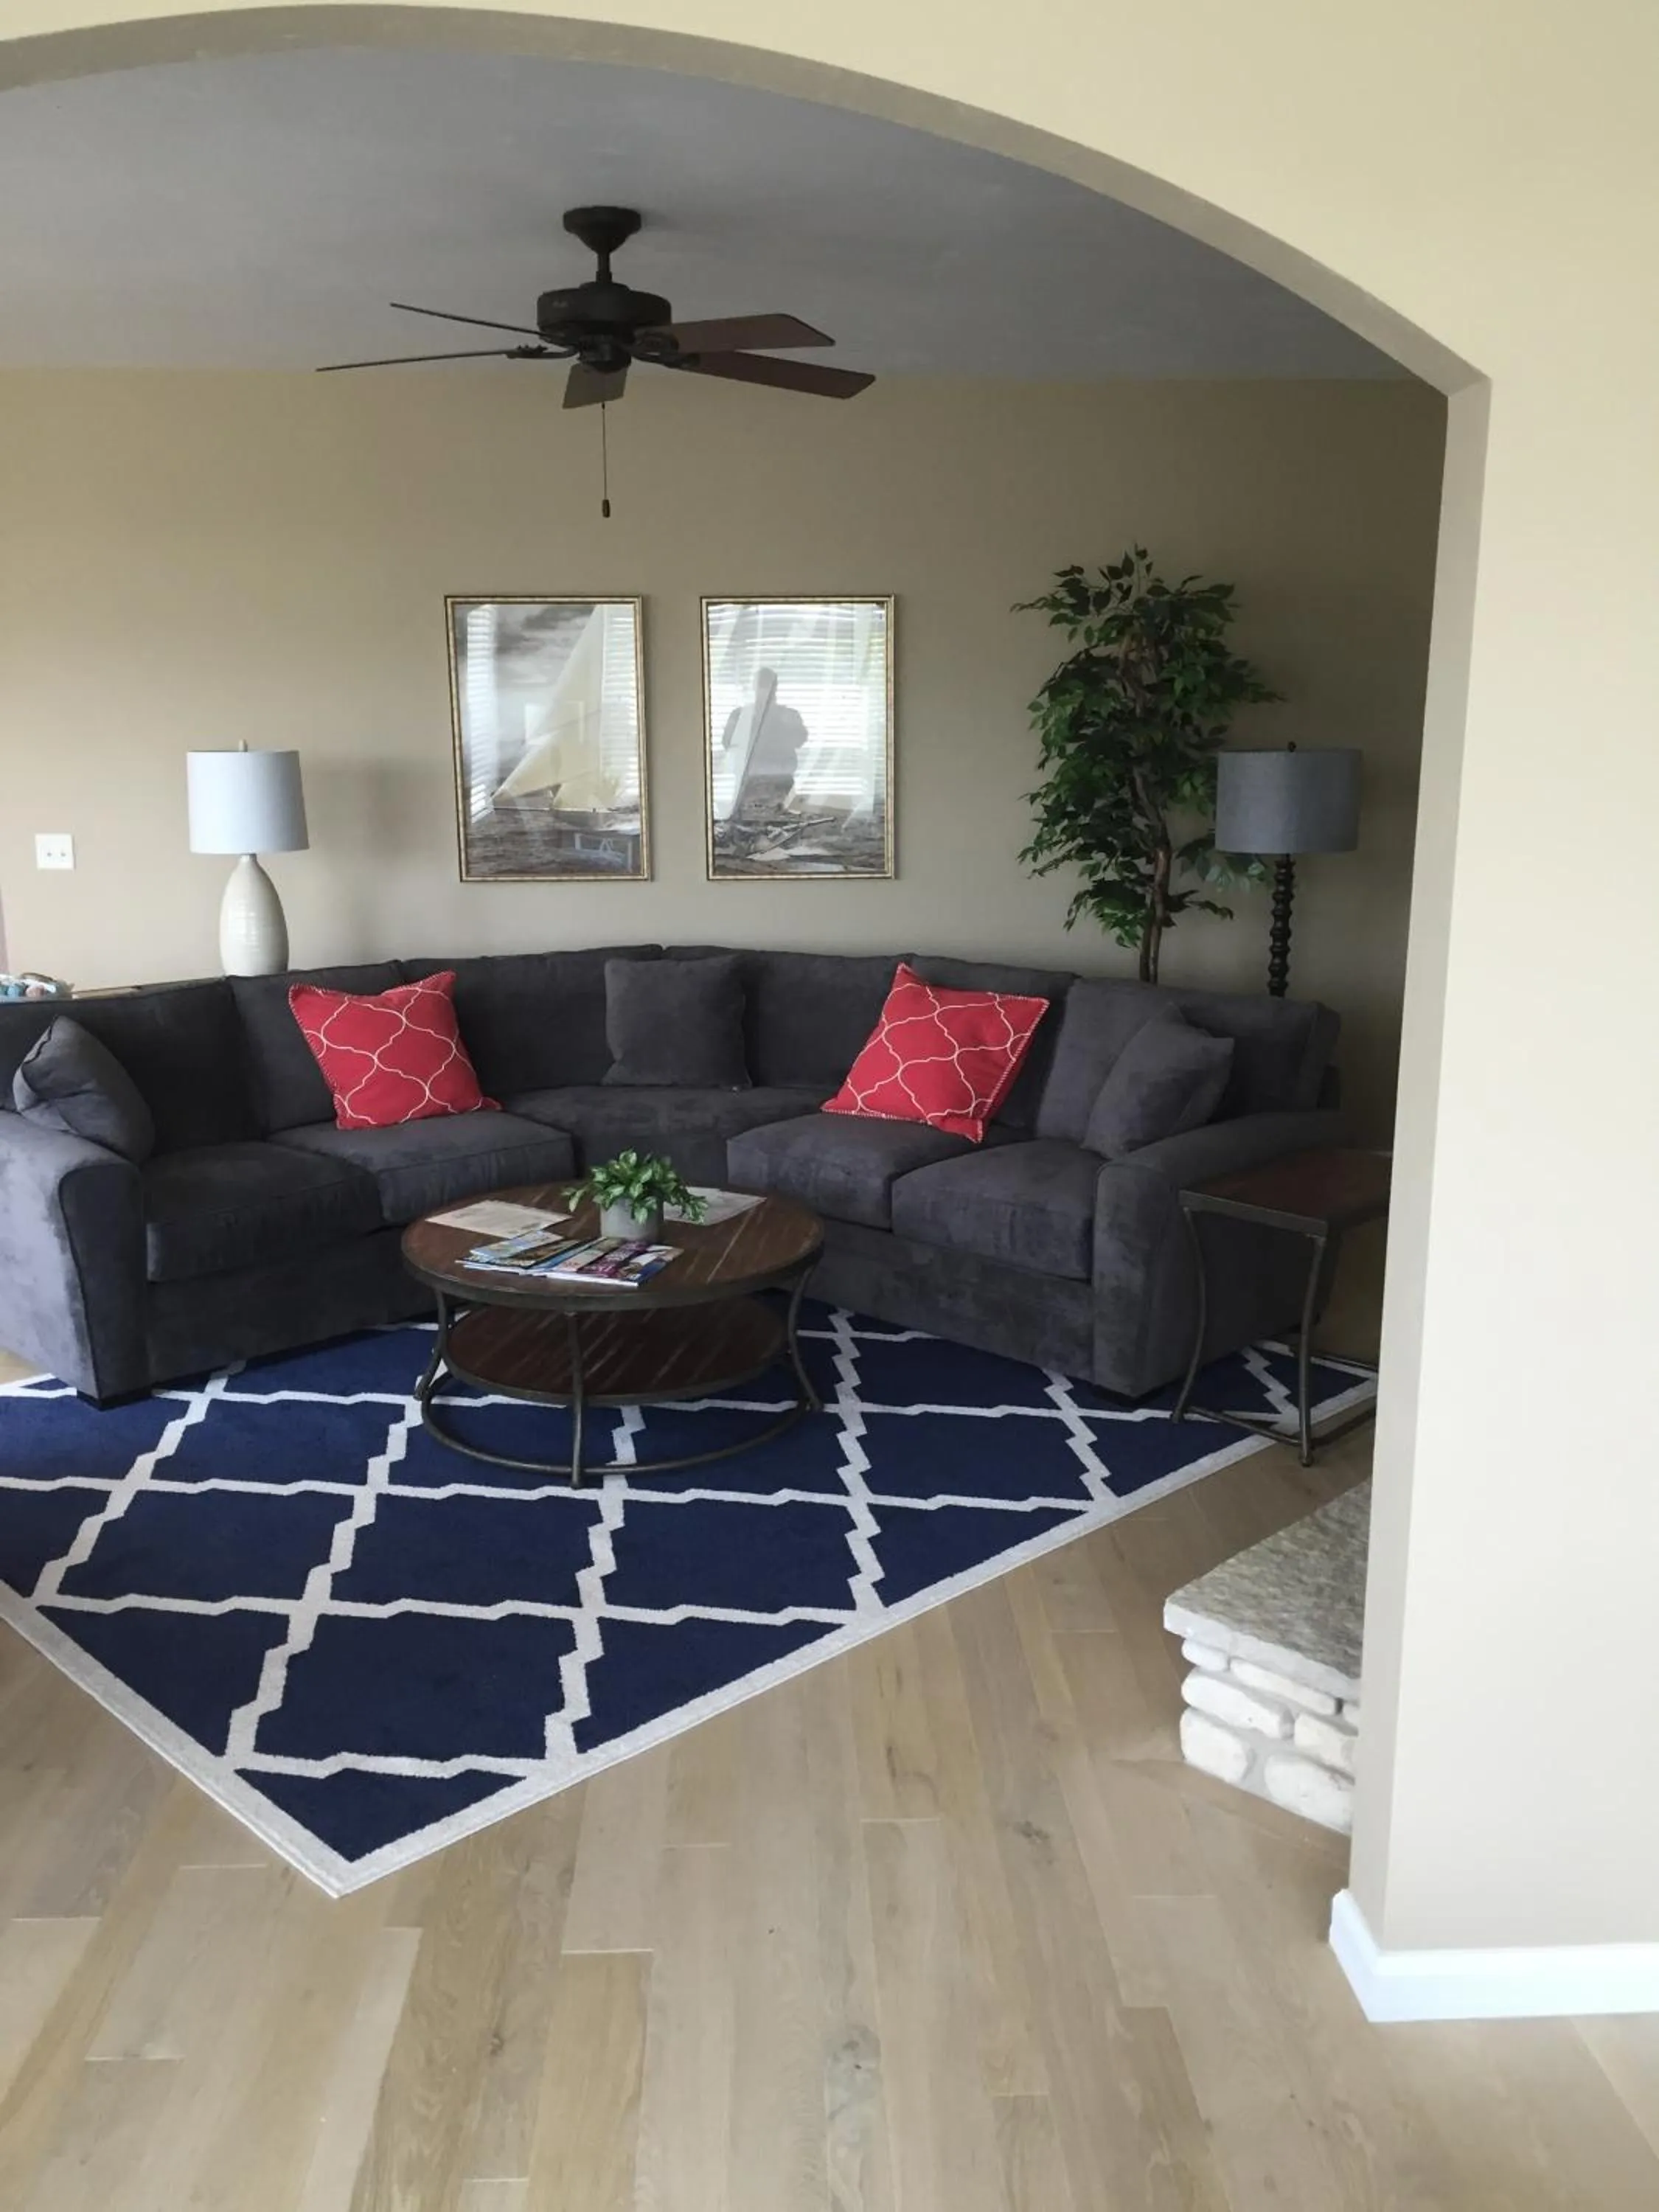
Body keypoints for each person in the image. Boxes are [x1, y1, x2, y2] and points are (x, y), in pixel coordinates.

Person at [721, 666, 810, 818]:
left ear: (776, 688)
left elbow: (800, 739)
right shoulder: (740, 716)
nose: (765, 690)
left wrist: (784, 726)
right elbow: (727, 742)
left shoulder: (789, 715)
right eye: (762, 685)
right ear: (754, 687)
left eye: (769, 685)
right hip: (748, 784)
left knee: (785, 827)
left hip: (781, 783)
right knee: (745, 830)